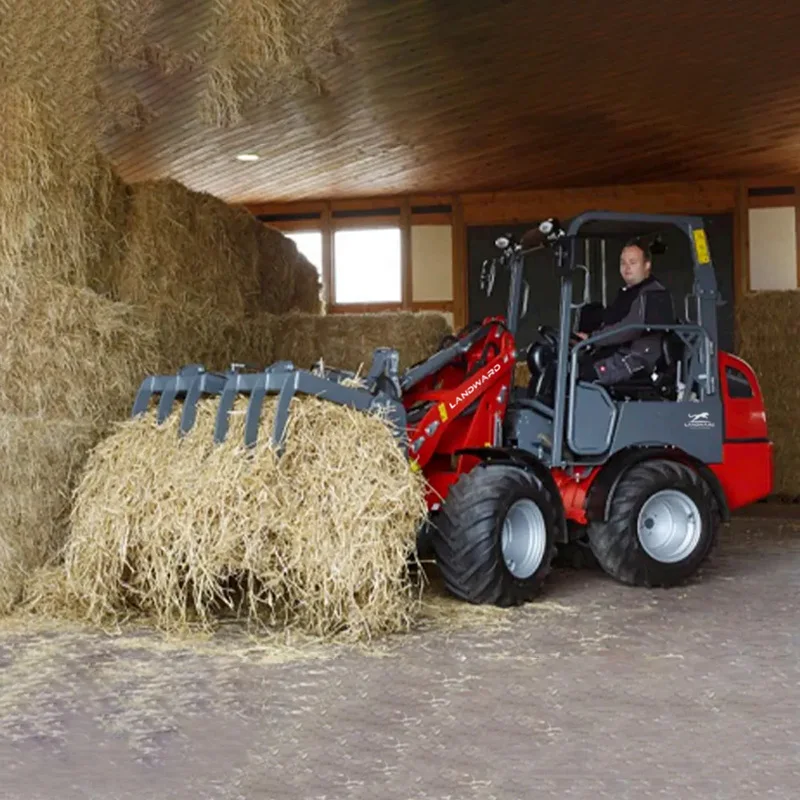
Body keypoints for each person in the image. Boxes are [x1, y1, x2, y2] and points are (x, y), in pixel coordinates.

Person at [576, 238, 675, 386]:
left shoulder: (653, 294)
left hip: (636, 359)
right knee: (571, 367)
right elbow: (613, 321)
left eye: (633, 263)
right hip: (620, 353)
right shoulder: (627, 293)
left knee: (583, 376)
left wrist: (592, 338)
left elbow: (629, 329)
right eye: (623, 263)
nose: (627, 267)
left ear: (647, 265)